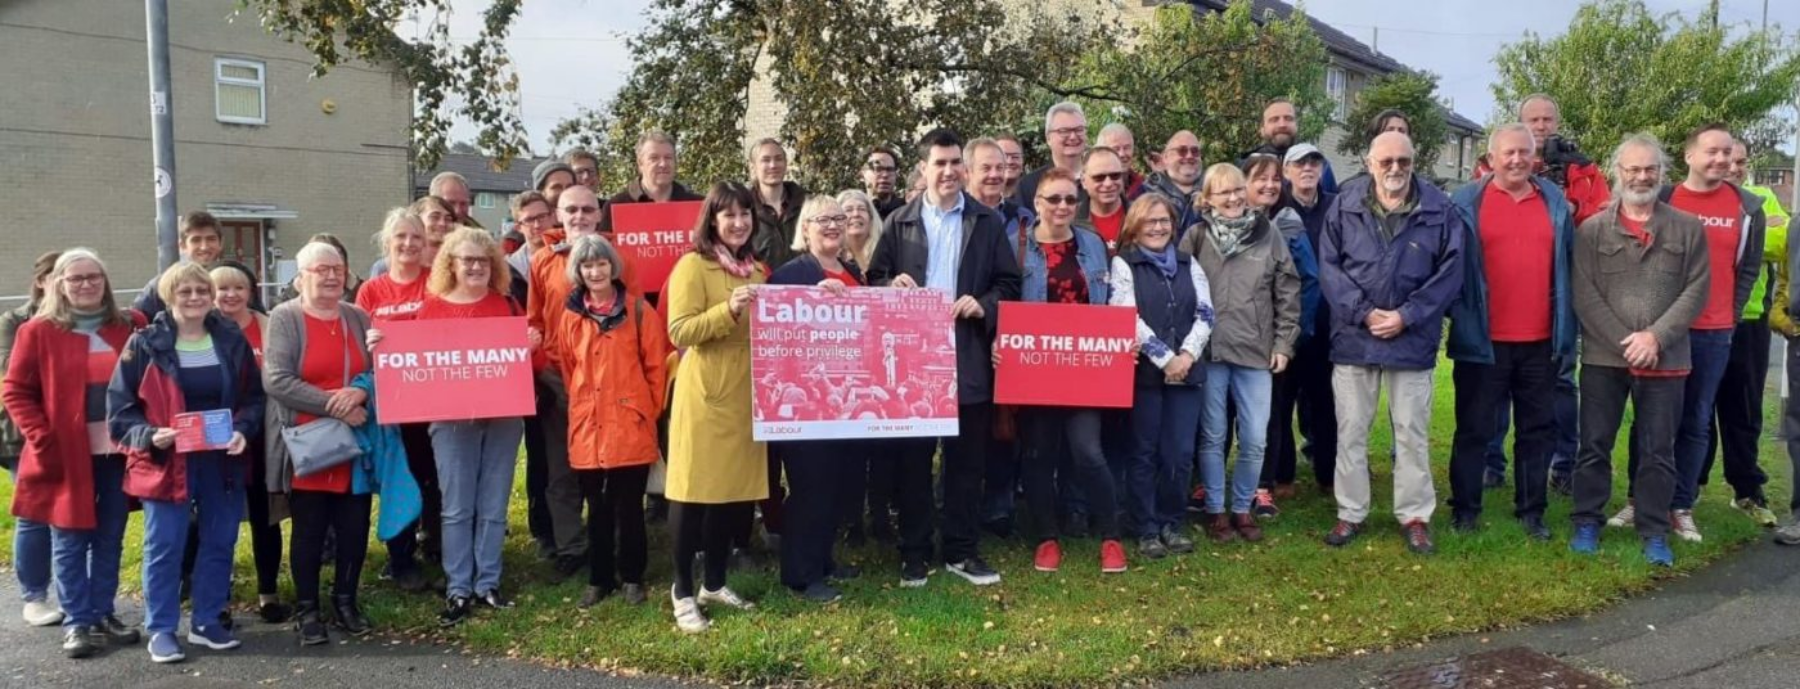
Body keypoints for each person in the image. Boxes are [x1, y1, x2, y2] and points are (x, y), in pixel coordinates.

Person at [867, 128, 1022, 587]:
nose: (949, 171)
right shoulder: (899, 222)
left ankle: (961, 549)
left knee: (966, 462)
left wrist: (984, 304)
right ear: (923, 169)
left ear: (965, 169)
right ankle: (914, 552)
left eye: (956, 163)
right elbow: (874, 280)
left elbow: (1008, 286)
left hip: (967, 353)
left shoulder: (987, 222)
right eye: (940, 163)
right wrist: (888, 287)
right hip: (914, 361)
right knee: (914, 461)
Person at [1615, 124, 1765, 544]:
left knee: (1696, 421)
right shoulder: (1665, 198)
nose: (1720, 159)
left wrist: (1730, 317)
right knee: (1650, 420)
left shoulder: (1747, 208)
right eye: (1711, 152)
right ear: (1689, 157)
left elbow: (1747, 270)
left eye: (1726, 152)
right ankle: (1638, 499)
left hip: (1713, 333)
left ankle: (1680, 505)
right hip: (1660, 332)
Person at [107, 263, 262, 662]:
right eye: (184, 292)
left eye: (201, 291)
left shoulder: (230, 339)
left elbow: (253, 398)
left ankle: (207, 622)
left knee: (220, 540)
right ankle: (161, 628)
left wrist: (244, 429)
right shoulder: (143, 344)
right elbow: (120, 410)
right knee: (165, 545)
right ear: (168, 296)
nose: (194, 298)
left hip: (221, 459)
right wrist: (149, 436)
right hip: (165, 459)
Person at [1568, 133, 1710, 567]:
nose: (1641, 176)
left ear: (1663, 173)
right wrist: (1625, 342)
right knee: (1594, 443)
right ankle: (1586, 520)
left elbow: (1696, 290)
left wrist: (1655, 338)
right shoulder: (1592, 231)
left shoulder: (1687, 228)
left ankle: (1653, 529)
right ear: (1618, 173)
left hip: (1666, 360)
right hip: (1603, 359)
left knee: (1658, 449)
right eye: (1632, 168)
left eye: (1649, 168)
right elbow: (1583, 293)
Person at [1317, 132, 1463, 554]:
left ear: (1414, 161)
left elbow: (1450, 274)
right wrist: (1364, 312)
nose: (1395, 169)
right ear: (1369, 163)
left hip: (1412, 338)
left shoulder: (1439, 208)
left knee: (1412, 433)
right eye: (1387, 162)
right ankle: (1351, 512)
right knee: (1351, 431)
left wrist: (1407, 315)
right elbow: (1329, 268)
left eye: (1404, 161)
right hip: (1354, 337)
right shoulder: (1343, 206)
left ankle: (1415, 515)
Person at [379, 228, 528, 624]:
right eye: (467, 259)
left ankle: (489, 584)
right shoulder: (431, 308)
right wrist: (381, 344)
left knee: (494, 503)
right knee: (457, 506)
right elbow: (413, 366)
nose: (475, 266)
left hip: (502, 417)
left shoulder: (509, 306)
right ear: (451, 263)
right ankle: (459, 587)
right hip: (451, 420)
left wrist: (532, 347)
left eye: (483, 260)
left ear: (493, 264)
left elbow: (531, 367)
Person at [2, 249, 145, 658]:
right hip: (64, 453)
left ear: (105, 282)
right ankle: (78, 621)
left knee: (110, 536)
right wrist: (40, 436)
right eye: (76, 278)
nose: (85, 285)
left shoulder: (129, 326)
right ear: (59, 284)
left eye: (93, 277)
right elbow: (15, 390)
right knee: (68, 537)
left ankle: (102, 612)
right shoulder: (38, 331)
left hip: (119, 452)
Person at [1444, 123, 1578, 541]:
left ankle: (1532, 510)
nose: (1518, 160)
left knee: (1537, 430)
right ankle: (1464, 509)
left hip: (1541, 340)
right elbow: (1448, 267)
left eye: (1525, 152)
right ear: (1492, 158)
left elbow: (1570, 268)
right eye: (1509, 153)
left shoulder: (1555, 202)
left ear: (1535, 155)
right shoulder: (1465, 202)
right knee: (1474, 429)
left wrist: (1567, 330)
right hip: (1482, 339)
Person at [1010, 168, 1129, 574]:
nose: (1062, 206)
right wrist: (999, 345)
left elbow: (1113, 301)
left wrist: (1121, 344)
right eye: (1053, 199)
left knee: (1087, 452)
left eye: (1069, 200)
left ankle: (1111, 535)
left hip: (1086, 370)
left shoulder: (1094, 245)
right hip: (1034, 369)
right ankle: (1047, 537)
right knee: (1039, 453)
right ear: (1037, 204)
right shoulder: (1017, 247)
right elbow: (1004, 303)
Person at [664, 182, 768, 632]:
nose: (738, 222)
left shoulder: (758, 270)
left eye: (745, 214)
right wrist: (727, 308)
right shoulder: (693, 266)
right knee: (692, 493)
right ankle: (682, 589)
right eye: (728, 215)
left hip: (747, 391)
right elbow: (679, 331)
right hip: (705, 390)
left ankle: (715, 582)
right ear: (711, 220)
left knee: (729, 493)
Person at [545, 234, 670, 609]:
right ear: (578, 272)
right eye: (587, 265)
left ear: (612, 266)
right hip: (588, 426)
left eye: (601, 264)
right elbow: (568, 367)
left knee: (628, 506)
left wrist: (643, 412)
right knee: (595, 507)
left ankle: (633, 577)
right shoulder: (570, 316)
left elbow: (655, 369)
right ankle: (599, 579)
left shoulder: (638, 312)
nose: (595, 271)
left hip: (629, 423)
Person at [1179, 163, 1301, 542]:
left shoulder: (1269, 234)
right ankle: (1216, 510)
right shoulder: (1195, 237)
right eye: (1222, 192)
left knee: (1255, 438)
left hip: (1256, 353)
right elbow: (1178, 288)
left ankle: (1243, 508)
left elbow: (1288, 289)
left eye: (1237, 190)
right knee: (1213, 436)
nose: (1232, 198)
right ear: (1207, 199)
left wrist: (1284, 342)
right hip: (1211, 353)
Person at [264, 241, 377, 645]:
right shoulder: (285, 317)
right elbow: (276, 380)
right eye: (321, 270)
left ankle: (346, 601)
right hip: (306, 444)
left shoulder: (359, 317)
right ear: (301, 277)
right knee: (309, 530)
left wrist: (362, 394)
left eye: (338, 269)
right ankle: (308, 609)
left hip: (354, 442)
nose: (332, 277)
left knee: (354, 527)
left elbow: (381, 368)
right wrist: (335, 404)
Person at [768, 196, 868, 601]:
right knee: (810, 487)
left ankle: (824, 561)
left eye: (837, 218)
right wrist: (809, 299)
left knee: (835, 485)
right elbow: (777, 335)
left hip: (844, 403)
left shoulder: (852, 271)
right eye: (821, 219)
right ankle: (800, 575)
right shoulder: (790, 274)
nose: (831, 225)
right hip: (806, 405)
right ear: (804, 228)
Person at [1111, 194, 1212, 558]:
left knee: (1180, 453)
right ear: (1135, 226)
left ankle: (1172, 522)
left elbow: (1205, 312)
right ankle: (1146, 526)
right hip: (1146, 376)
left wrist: (1187, 356)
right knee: (1143, 452)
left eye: (1164, 221)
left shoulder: (1189, 262)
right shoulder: (1125, 264)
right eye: (1149, 221)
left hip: (1188, 373)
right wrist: (1166, 359)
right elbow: (1126, 316)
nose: (1157, 227)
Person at [1702, 140, 1788, 527]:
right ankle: (1691, 486)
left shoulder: (1763, 196)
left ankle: (1747, 491)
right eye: (1725, 159)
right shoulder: (1697, 199)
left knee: (1744, 411)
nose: (1732, 166)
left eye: (1739, 161)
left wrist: (1751, 230)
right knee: (1698, 410)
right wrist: (1752, 229)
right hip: (1702, 320)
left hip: (1749, 321)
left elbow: (1781, 242)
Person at [355, 209, 441, 591]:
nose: (408, 244)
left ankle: (437, 545)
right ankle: (400, 557)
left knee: (433, 473)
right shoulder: (371, 291)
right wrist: (369, 342)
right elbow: (357, 348)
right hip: (389, 399)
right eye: (401, 238)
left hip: (433, 396)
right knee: (398, 477)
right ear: (387, 243)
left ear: (425, 244)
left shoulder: (437, 283)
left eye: (415, 238)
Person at [527, 185, 609, 578]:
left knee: (607, 465)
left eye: (587, 209)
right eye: (571, 209)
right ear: (558, 214)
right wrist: (545, 368)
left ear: (599, 213)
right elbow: (534, 323)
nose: (579, 216)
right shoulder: (543, 261)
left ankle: (607, 540)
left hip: (608, 378)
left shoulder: (616, 256)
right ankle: (570, 546)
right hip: (561, 378)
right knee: (562, 468)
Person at [208, 262, 290, 624]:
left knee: (266, 518)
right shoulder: (198, 329)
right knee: (218, 521)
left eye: (238, 288)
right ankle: (218, 598)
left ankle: (268, 592)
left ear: (251, 291)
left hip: (264, 439)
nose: (230, 295)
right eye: (221, 288)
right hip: (217, 440)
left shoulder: (270, 326)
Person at [1244, 154, 1318, 513]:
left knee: (1272, 414)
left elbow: (1309, 282)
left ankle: (1265, 484)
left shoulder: (1289, 224)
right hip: (1233, 336)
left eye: (1276, 179)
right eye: (1261, 178)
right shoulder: (1228, 220)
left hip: (1275, 340)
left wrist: (1291, 336)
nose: (1270, 185)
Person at [1, 251, 62, 628]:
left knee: (74, 515)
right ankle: (34, 596)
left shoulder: (86, 321)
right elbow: (14, 375)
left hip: (74, 434)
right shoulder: (15, 321)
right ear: (41, 281)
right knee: (35, 514)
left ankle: (76, 594)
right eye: (59, 276)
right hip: (23, 435)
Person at [1278, 143, 1339, 497]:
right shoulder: (1277, 209)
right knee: (1282, 403)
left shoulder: (1336, 206)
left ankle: (1328, 475)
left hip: (1328, 323)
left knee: (1325, 403)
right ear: (1286, 171)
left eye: (1314, 162)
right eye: (1299, 163)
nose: (1307, 169)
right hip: (1287, 322)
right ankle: (1282, 475)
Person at [598, 131, 705, 234]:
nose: (663, 164)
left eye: (668, 157)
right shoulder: (615, 207)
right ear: (640, 163)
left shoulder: (700, 206)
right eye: (654, 158)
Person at [134, 211, 228, 320]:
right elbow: (138, 322)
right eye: (196, 240)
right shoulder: (162, 286)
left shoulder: (233, 281)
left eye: (211, 239)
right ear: (182, 245)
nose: (204, 247)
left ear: (221, 243)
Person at [1242, 99, 1338, 194]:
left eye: (1288, 119)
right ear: (1262, 129)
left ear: (1297, 125)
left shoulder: (1320, 165)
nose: (1282, 125)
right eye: (1274, 119)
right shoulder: (1245, 165)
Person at [1013, 101, 1089, 208]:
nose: (1073, 136)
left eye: (1079, 130)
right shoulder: (1028, 186)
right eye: (1064, 131)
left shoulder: (1101, 181)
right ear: (1048, 138)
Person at [748, 138, 807, 268]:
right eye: (766, 160)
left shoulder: (807, 205)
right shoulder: (744, 209)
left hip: (805, 285)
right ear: (753, 167)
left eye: (778, 159)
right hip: (760, 285)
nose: (773, 165)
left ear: (786, 163)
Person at [967, 137, 1034, 230]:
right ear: (967, 172)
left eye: (999, 167)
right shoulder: (955, 216)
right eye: (986, 168)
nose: (994, 175)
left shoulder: (1023, 217)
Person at [1078, 147, 1130, 253]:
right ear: (1083, 181)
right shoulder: (1070, 221)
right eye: (1099, 177)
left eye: (1115, 176)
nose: (1108, 184)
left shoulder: (1141, 216)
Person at [835, 189, 886, 271]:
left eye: (862, 209)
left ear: (871, 217)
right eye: (848, 210)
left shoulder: (886, 254)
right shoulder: (832, 259)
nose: (856, 214)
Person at [1097, 122, 1146, 198]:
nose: (1122, 154)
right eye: (1116, 149)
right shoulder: (1092, 188)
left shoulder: (1143, 187)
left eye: (1126, 148)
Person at [863, 145, 907, 218]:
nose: (885, 175)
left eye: (890, 170)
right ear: (862, 173)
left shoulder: (907, 211)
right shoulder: (855, 212)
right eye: (878, 169)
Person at [995, 135, 1026, 199]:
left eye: (1015, 157)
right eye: (1003, 156)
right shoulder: (977, 200)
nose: (1009, 162)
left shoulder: (1033, 196)